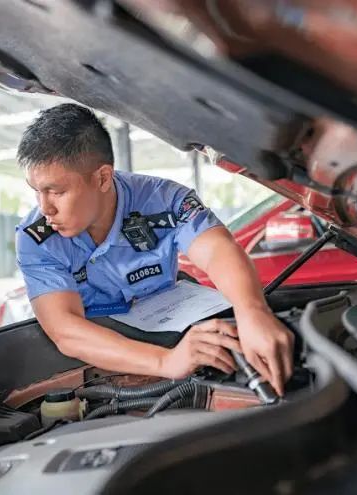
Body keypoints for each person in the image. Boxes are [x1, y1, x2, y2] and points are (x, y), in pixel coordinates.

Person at [16, 104, 294, 395]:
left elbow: (216, 249)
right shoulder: (36, 238)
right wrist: (167, 362)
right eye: (36, 190)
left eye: (56, 192)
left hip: (174, 327)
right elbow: (66, 330)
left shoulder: (165, 201)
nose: (44, 207)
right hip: (103, 353)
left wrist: (252, 313)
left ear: (102, 177)